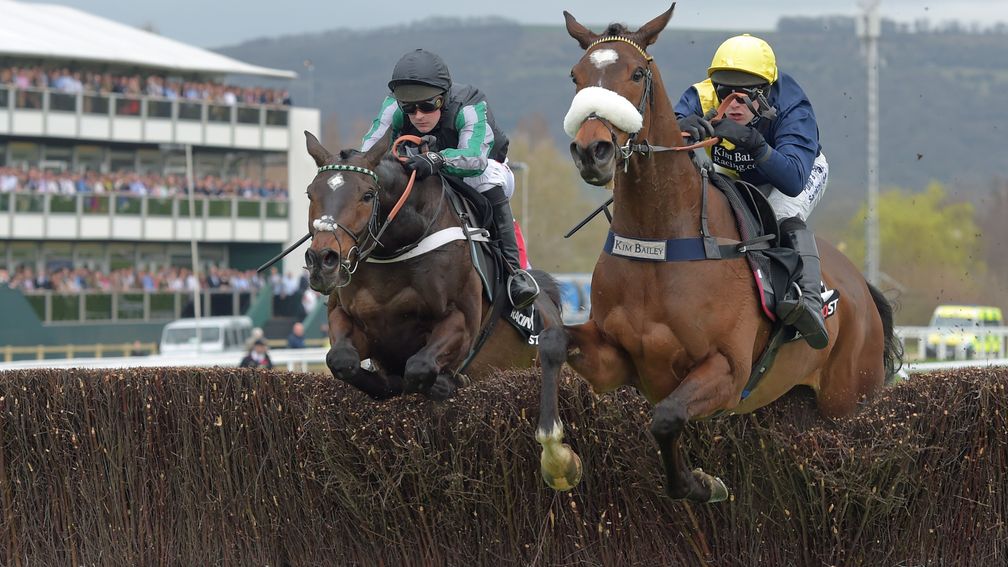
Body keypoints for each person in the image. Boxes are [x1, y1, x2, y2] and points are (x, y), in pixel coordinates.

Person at [674, 34, 829, 350]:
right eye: (725, 91)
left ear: (767, 92)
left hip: (797, 172)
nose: (733, 102)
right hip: (734, 173)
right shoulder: (700, 95)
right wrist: (681, 126)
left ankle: (811, 301)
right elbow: (665, 135)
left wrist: (755, 144)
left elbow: (792, 180)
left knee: (781, 214)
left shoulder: (793, 108)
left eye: (745, 93)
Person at [361, 48, 539, 309]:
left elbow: (475, 159)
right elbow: (368, 154)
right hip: (424, 171)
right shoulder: (393, 107)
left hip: (479, 171)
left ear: (443, 98)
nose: (418, 115)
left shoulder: (469, 104)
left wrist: (437, 159)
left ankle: (516, 273)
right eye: (409, 107)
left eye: (427, 105)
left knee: (486, 177)